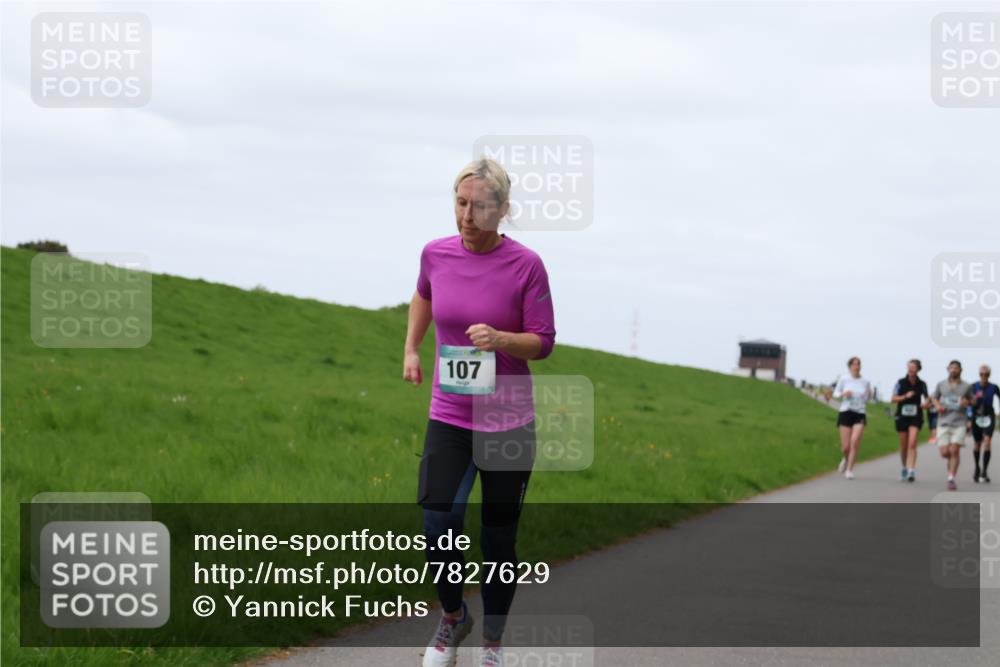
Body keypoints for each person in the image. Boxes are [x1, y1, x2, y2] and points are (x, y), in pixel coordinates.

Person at [403, 158, 556, 667]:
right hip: (449, 414)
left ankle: (492, 645)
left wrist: (501, 339)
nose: (468, 216)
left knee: (498, 541)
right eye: (461, 204)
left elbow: (544, 342)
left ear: (503, 210)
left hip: (508, 419)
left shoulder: (526, 265)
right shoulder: (435, 254)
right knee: (437, 519)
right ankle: (452, 617)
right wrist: (411, 349)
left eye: (481, 206)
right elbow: (424, 296)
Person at [932, 360, 975, 491]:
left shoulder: (967, 386)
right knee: (945, 453)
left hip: (960, 421)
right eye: (951, 368)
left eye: (956, 368)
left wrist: (967, 402)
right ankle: (951, 463)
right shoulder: (941, 384)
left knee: (955, 450)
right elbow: (934, 398)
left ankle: (951, 478)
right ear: (948, 369)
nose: (954, 370)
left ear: (960, 370)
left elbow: (973, 400)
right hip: (944, 421)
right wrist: (938, 405)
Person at [833, 357, 872, 479]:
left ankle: (849, 470)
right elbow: (836, 393)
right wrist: (843, 394)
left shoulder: (865, 381)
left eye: (858, 364)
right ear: (849, 366)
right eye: (854, 364)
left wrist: (868, 395)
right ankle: (845, 458)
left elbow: (866, 399)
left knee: (854, 442)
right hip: (845, 412)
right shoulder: (844, 379)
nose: (857, 366)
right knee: (846, 447)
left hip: (859, 413)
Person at [891, 359, 929, 482]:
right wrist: (904, 396)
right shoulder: (900, 382)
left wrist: (926, 404)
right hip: (902, 416)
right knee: (904, 445)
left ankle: (911, 470)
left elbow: (927, 399)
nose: (911, 369)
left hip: (916, 416)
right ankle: (904, 468)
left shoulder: (922, 384)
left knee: (912, 443)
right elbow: (893, 398)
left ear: (918, 369)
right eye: (909, 367)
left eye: (913, 367)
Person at [971, 364, 999, 483]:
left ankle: (984, 471)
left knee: (987, 442)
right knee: (977, 443)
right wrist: (974, 401)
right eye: (981, 374)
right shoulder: (973, 386)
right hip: (977, 415)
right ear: (979, 375)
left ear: (989, 375)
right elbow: (968, 401)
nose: (983, 376)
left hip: (989, 415)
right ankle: (977, 468)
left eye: (986, 374)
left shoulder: (994, 387)